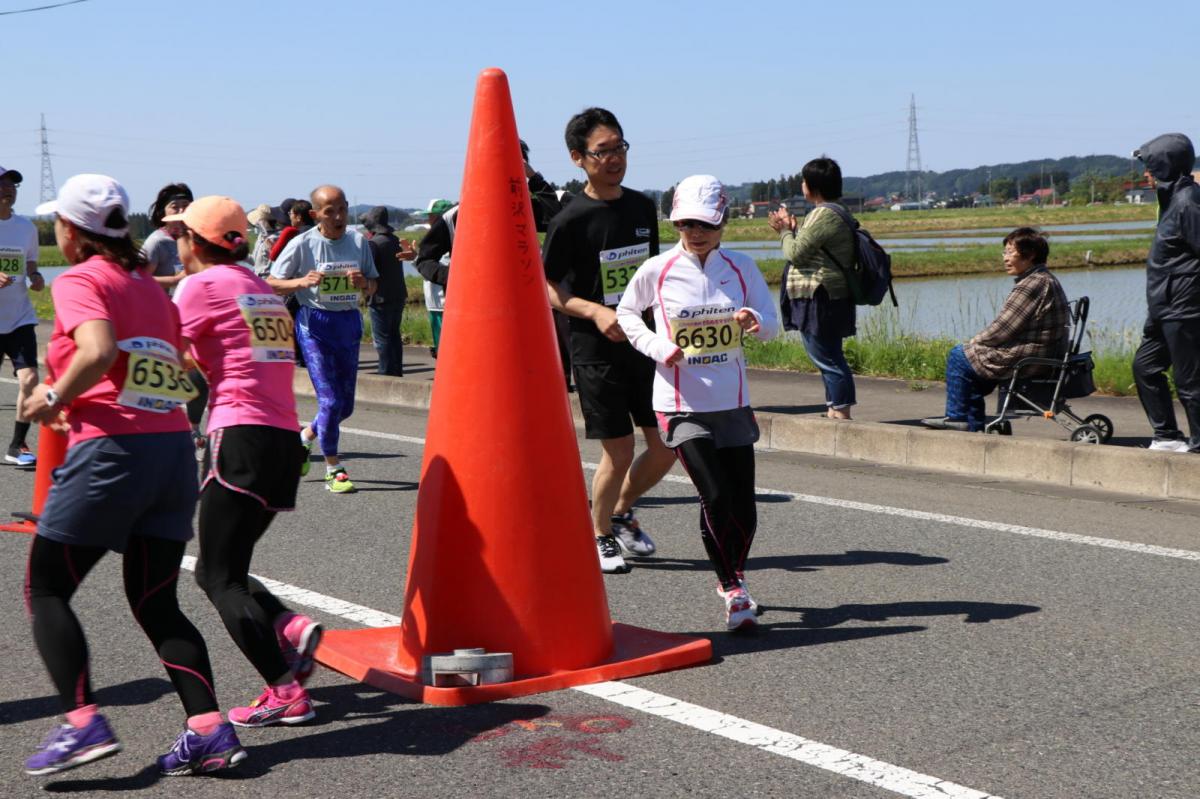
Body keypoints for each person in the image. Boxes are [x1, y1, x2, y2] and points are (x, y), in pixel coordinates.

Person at [22, 174, 246, 776]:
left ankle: (80, 723)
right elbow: (176, 369)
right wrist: (89, 401)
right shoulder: (149, 284)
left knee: (46, 589)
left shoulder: (81, 278)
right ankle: (209, 730)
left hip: (114, 454)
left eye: (60, 226)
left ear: (71, 231)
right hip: (171, 450)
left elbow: (95, 348)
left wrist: (51, 394)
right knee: (156, 600)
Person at [167, 195, 321, 728]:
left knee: (216, 577)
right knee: (224, 565)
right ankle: (289, 627)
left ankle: (284, 691)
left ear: (194, 241)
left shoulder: (200, 286)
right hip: (283, 440)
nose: (176, 246)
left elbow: (165, 359)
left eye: (179, 236)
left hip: (240, 435)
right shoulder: (257, 288)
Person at [616, 175, 778, 630]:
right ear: (675, 224)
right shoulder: (658, 269)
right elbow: (627, 313)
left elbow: (771, 323)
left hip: (732, 401)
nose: (696, 232)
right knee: (716, 494)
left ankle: (735, 575)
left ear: (723, 220)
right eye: (686, 224)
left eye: (705, 223)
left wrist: (753, 322)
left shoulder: (741, 267)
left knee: (743, 506)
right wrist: (656, 346)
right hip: (680, 402)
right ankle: (733, 589)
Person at [542, 107, 675, 574]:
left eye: (620, 147)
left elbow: (653, 276)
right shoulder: (569, 221)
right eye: (604, 151)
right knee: (618, 452)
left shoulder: (641, 207)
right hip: (596, 350)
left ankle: (618, 514)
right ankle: (598, 537)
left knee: (666, 446)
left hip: (644, 345)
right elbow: (550, 288)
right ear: (578, 158)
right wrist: (596, 311)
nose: (615, 158)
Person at [268, 184, 378, 493]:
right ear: (316, 214)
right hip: (314, 323)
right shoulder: (302, 244)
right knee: (329, 400)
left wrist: (364, 282)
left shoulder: (358, 241)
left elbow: (374, 286)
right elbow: (271, 282)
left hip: (348, 322)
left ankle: (304, 438)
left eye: (342, 208)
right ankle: (334, 468)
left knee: (344, 407)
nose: (339, 216)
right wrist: (301, 281)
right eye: (330, 211)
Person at [921, 227, 1069, 432]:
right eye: (1004, 252)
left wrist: (975, 341)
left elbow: (1002, 329)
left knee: (958, 355)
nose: (1005, 258)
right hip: (1042, 352)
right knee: (970, 367)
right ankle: (973, 426)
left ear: (1030, 254)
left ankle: (957, 417)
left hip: (1029, 357)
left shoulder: (1032, 284)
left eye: (1010, 252)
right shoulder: (1045, 278)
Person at [768, 158, 857, 420]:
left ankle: (841, 412)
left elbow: (795, 253)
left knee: (827, 357)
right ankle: (834, 409)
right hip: (827, 293)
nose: (802, 185)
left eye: (804, 181)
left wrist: (784, 232)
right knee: (828, 355)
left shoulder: (823, 214)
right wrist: (795, 229)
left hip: (820, 294)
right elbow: (811, 249)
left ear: (814, 186)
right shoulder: (831, 211)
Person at [1132, 133, 1200, 452]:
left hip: (1185, 308)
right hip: (1163, 308)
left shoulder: (1188, 202)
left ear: (1166, 164)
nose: (1146, 173)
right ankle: (1168, 436)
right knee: (1145, 367)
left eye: (1150, 165)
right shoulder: (1171, 199)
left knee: (1189, 382)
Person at [0, 164, 46, 468]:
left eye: (12, 185)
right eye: (2, 185)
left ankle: (16, 446)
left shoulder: (26, 228)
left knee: (29, 378)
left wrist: (36, 276)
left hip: (19, 317)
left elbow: (30, 263)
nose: (8, 190)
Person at [361, 206, 414, 376]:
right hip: (398, 294)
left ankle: (385, 372)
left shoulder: (373, 243)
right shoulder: (394, 240)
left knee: (382, 339)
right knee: (394, 336)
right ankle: (396, 370)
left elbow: (369, 271)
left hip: (380, 296)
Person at [269, 200, 314, 367]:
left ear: (298, 216)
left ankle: (298, 361)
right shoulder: (320, 233)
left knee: (293, 324)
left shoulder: (293, 235)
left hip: (296, 287)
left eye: (291, 215)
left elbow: (275, 257)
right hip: (318, 293)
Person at [414, 198, 455, 358]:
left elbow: (445, 271)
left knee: (446, 348)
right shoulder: (434, 240)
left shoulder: (449, 239)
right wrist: (414, 259)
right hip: (433, 304)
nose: (428, 219)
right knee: (441, 347)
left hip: (443, 304)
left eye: (431, 216)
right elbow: (426, 268)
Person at [142, 182, 193, 293]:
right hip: (162, 307)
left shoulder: (197, 239)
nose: (181, 211)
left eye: (185, 205)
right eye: (174, 207)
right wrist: (175, 280)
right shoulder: (157, 242)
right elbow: (138, 279)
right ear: (163, 213)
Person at [248, 204, 284, 277]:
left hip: (267, 277)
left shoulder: (276, 237)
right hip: (258, 276)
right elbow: (255, 260)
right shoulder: (261, 237)